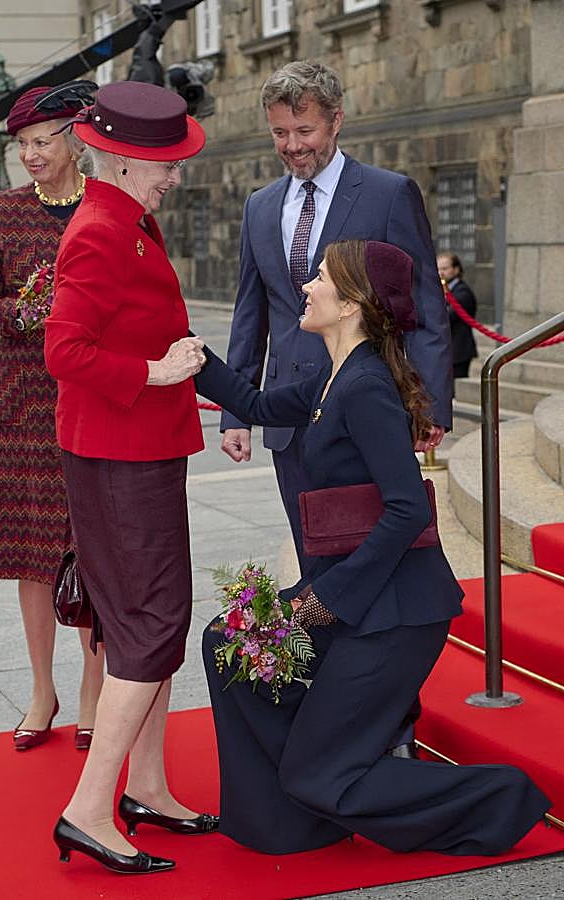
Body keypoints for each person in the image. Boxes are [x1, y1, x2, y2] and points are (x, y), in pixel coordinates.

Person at [195, 238, 550, 857]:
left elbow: (408, 507)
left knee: (319, 773)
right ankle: (289, 815)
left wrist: (327, 598)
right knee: (226, 642)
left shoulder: (364, 388)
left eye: (321, 278)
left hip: (395, 615)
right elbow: (251, 402)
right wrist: (188, 350)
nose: (305, 286)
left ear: (353, 301)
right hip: (356, 595)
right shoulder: (327, 380)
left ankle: (501, 799)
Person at [44, 81, 218, 876]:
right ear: (116, 160)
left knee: (150, 621)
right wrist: (152, 371)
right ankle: (88, 809)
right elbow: (64, 352)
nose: (175, 174)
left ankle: (145, 786)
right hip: (118, 455)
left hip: (137, 451)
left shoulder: (127, 217)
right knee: (147, 624)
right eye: (164, 163)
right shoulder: (100, 232)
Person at [220, 60, 452, 580]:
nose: (292, 145)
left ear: (336, 121)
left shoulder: (388, 193)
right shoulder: (259, 207)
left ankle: (375, 652)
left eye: (305, 130)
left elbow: (425, 307)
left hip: (368, 409)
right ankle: (319, 654)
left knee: (375, 552)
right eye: (280, 132)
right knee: (312, 555)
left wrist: (429, 405)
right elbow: (249, 314)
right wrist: (236, 413)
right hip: (288, 422)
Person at [0, 83, 104, 752]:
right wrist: (21, 314)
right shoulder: (3, 212)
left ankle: (92, 689)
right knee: (31, 558)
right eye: (21, 145)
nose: (29, 155)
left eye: (40, 142)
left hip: (91, 400)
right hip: (22, 408)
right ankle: (40, 689)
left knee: (91, 551)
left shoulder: (109, 208)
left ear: (76, 140)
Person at [437, 252, 478, 380]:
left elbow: (446, 317)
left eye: (444, 268)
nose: (440, 273)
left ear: (456, 269)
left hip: (458, 351)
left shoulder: (462, 292)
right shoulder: (443, 289)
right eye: (438, 269)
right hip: (447, 350)